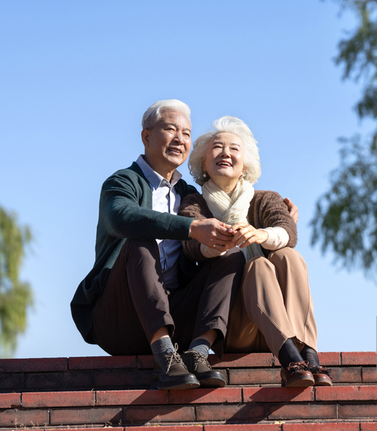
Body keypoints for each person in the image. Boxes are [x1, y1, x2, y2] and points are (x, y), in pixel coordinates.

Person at [70, 100, 299, 391]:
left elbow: (232, 210)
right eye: (170, 129)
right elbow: (122, 218)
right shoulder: (122, 182)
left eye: (187, 133)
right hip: (121, 318)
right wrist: (191, 228)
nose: (180, 138)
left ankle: (198, 352)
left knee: (229, 255)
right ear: (146, 136)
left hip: (176, 314)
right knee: (140, 241)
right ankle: (164, 355)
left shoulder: (190, 196)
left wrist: (277, 224)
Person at [179, 116, 332, 388]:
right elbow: (190, 248)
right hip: (237, 327)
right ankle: (290, 361)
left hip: (286, 323)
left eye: (234, 148)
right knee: (257, 266)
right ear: (203, 162)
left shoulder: (265, 199)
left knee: (288, 255)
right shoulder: (195, 203)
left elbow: (288, 231)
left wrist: (260, 234)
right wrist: (218, 243)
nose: (226, 153)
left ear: (245, 164)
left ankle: (308, 353)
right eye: (217, 147)